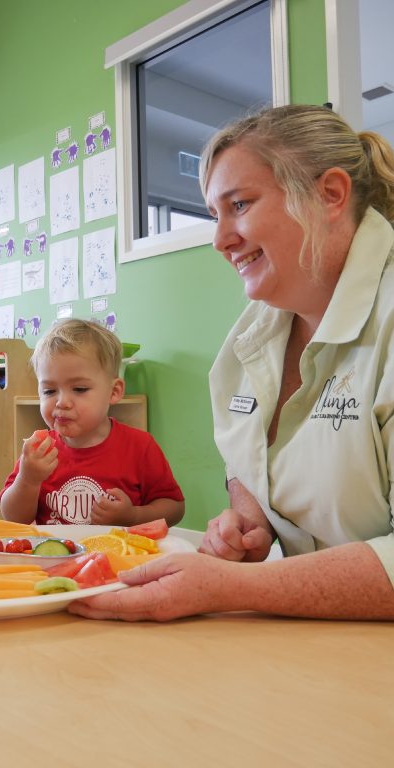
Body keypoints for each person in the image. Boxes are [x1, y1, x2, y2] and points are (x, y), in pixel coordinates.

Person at [70, 104, 394, 622]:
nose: (220, 240)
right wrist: (250, 519)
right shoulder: (255, 330)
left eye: (239, 205)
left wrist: (237, 586)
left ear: (330, 194)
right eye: (213, 216)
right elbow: (244, 457)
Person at [0, 318, 185, 527]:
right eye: (49, 391)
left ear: (114, 392)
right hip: (57, 557)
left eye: (79, 389)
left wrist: (133, 516)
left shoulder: (140, 446)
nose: (62, 402)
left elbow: (175, 508)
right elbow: (14, 519)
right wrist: (28, 479)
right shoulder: (39, 451)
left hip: (119, 557)